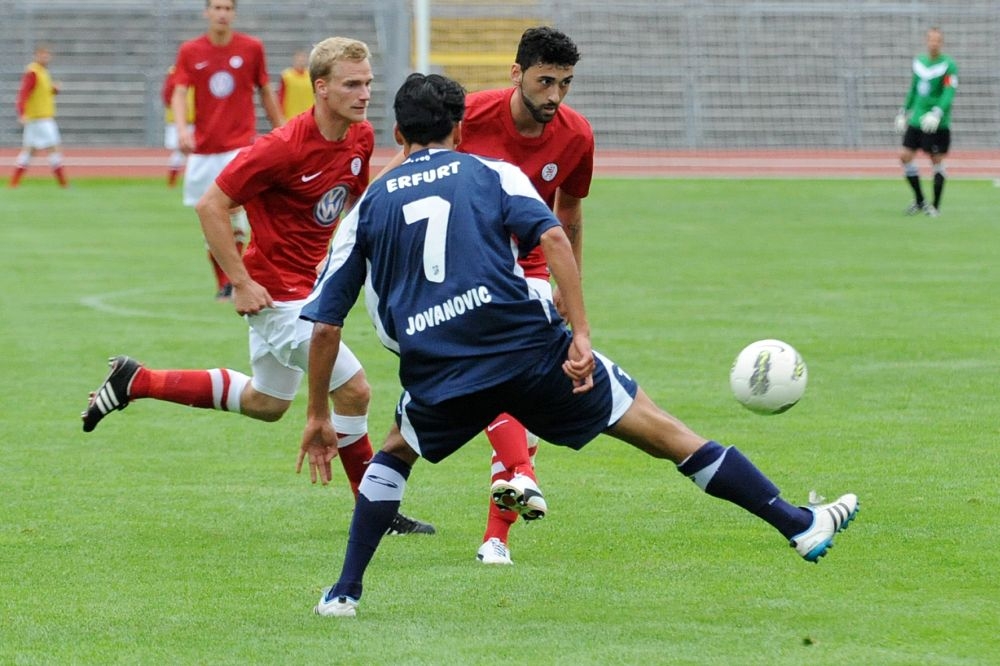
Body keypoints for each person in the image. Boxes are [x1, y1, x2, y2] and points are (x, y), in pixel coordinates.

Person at [299, 72, 861, 618]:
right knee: (663, 432)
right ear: (461, 129)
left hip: (441, 369)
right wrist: (582, 335)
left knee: (396, 453)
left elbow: (325, 325)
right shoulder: (493, 173)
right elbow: (551, 235)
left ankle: (345, 592)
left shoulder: (366, 209)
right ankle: (797, 524)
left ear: (398, 134)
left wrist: (319, 412)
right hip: (530, 350)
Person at [80, 37, 434, 538]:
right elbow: (211, 205)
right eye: (352, 84)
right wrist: (240, 283)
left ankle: (137, 381)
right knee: (354, 391)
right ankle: (375, 513)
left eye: (368, 83)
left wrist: (411, 161)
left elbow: (356, 205)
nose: (364, 94)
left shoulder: (359, 139)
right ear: (321, 87)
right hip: (274, 295)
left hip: (305, 287)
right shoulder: (281, 147)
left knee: (267, 403)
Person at [460, 26, 593, 566]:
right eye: (545, 81)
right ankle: (516, 492)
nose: (554, 96)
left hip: (531, 266)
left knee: (510, 387)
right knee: (511, 384)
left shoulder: (576, 135)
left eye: (564, 83)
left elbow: (570, 216)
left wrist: (569, 286)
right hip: (465, 265)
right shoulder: (466, 116)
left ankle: (501, 526)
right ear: (516, 75)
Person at [171, 0, 285, 300]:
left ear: (234, 13)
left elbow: (265, 91)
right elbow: (180, 92)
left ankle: (233, 281)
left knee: (233, 211)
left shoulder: (251, 48)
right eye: (217, 7)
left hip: (239, 146)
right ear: (206, 12)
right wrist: (182, 129)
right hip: (204, 149)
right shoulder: (190, 51)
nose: (222, 13)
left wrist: (283, 130)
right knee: (209, 216)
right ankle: (223, 280)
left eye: (227, 8)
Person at [895, 26, 958, 218]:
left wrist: (938, 112)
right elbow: (914, 89)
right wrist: (904, 111)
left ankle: (935, 207)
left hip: (936, 123)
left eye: (937, 40)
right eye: (931, 39)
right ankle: (920, 200)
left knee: (936, 161)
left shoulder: (948, 65)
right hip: (917, 120)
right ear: (926, 41)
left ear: (942, 43)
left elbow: (949, 92)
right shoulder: (919, 62)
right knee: (905, 156)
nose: (933, 43)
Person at [9, 44, 68, 189]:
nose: (45, 57)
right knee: (53, 148)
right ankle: (63, 184)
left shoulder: (43, 72)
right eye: (42, 55)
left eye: (47, 55)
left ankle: (14, 184)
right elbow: (23, 93)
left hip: (39, 119)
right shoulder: (33, 72)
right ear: (36, 55)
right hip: (40, 119)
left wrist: (54, 90)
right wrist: (22, 113)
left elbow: (41, 94)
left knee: (29, 151)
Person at [161, 64, 195, 187]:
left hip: (196, 118)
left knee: (189, 152)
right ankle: (173, 180)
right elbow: (168, 96)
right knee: (182, 151)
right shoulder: (175, 72)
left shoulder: (199, 68)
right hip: (182, 119)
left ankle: (177, 180)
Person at [278, 50, 314, 118]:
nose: (301, 62)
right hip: (290, 117)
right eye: (299, 59)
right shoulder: (286, 76)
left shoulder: (311, 76)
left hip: (308, 116)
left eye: (303, 59)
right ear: (294, 60)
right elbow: (281, 96)